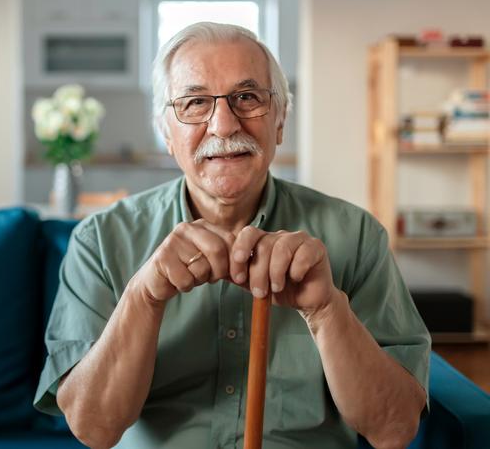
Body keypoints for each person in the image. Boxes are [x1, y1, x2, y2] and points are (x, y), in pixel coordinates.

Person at [34, 22, 430, 449]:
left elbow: (393, 430)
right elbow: (94, 429)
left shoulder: (356, 236)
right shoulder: (100, 239)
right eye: (195, 102)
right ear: (167, 134)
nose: (224, 125)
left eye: (247, 98)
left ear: (280, 122)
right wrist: (142, 298)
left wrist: (328, 312)